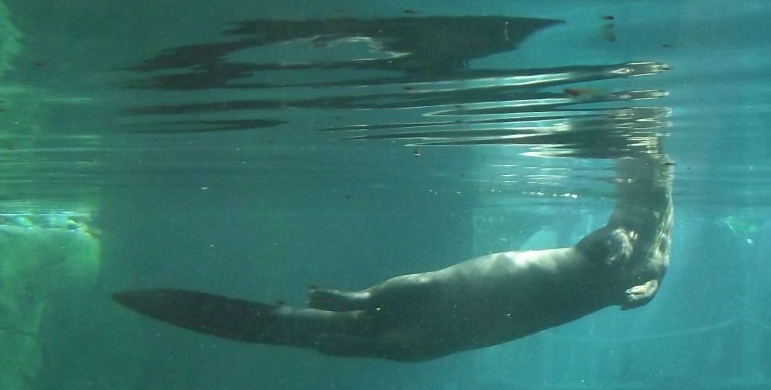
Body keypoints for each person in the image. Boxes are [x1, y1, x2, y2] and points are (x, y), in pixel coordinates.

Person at [114, 151, 672, 362]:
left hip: (462, 326)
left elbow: (646, 272)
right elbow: (613, 252)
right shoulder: (635, 235)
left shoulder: (651, 243)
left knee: (392, 333)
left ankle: (352, 329)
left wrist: (645, 286)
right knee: (415, 296)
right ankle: (355, 306)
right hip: (465, 305)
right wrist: (629, 262)